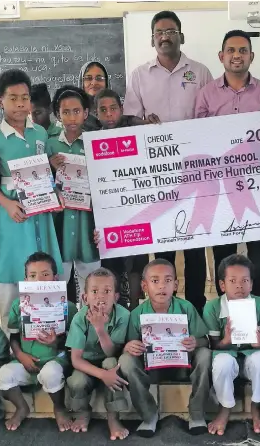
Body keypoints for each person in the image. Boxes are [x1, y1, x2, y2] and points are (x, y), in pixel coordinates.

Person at [122, 10, 212, 313]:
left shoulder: (199, 72)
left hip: (195, 172)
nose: (165, 36)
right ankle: (162, 310)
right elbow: (129, 118)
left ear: (181, 36)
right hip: (157, 175)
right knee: (163, 249)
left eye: (171, 31)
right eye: (159, 32)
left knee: (196, 246)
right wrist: (142, 122)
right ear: (151, 39)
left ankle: (197, 308)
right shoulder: (138, 75)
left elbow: (211, 118)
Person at [195, 29, 260, 300]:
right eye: (231, 50)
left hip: (258, 189)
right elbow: (197, 139)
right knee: (224, 256)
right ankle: (225, 311)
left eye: (243, 50)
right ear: (221, 56)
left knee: (258, 255)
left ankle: (259, 313)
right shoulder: (206, 95)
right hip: (220, 190)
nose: (236, 55)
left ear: (251, 56)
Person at [0, 69, 63, 330]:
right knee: (13, 266)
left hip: (40, 209)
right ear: (0, 101)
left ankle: (47, 330)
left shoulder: (40, 133)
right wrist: (6, 204)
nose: (20, 104)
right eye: (13, 98)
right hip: (12, 211)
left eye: (25, 97)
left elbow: (45, 171)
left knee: (43, 264)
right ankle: (12, 334)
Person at [118, 258, 211, 437]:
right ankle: (148, 415)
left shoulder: (186, 308)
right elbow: (127, 347)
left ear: (175, 285)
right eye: (155, 281)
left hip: (184, 367)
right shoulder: (137, 314)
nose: (162, 286)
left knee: (205, 355)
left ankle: (197, 413)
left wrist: (195, 342)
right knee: (125, 361)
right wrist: (130, 347)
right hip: (151, 368)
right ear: (144, 286)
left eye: (168, 280)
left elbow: (205, 341)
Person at [0, 252, 78, 432]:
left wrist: (56, 342)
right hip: (26, 361)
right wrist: (20, 355)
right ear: (25, 280)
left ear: (55, 278)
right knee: (2, 376)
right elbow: (14, 336)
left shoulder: (68, 307)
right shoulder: (18, 305)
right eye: (32, 276)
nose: (39, 280)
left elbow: (74, 343)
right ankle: (21, 407)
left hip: (56, 360)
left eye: (45, 274)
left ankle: (59, 407)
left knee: (50, 374)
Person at [202, 254, 260, 436]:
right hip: (226, 356)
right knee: (222, 363)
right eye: (232, 280)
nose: (239, 286)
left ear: (251, 284)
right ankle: (225, 408)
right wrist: (226, 340)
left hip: (250, 356)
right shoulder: (212, 307)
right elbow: (214, 348)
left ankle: (256, 407)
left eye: (245, 280)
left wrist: (259, 344)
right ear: (222, 285)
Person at [90, 91, 148, 309]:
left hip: (136, 210)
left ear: (121, 109)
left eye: (113, 108)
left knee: (136, 263)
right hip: (108, 213)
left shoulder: (136, 133)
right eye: (103, 110)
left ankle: (134, 307)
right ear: (96, 114)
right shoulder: (92, 140)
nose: (109, 114)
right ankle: (115, 312)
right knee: (112, 264)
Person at [46, 86, 101, 304]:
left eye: (76, 111)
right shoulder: (49, 143)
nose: (71, 117)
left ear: (86, 113)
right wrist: (49, 166)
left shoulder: (94, 143)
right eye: (65, 112)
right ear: (58, 115)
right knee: (59, 279)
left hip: (88, 221)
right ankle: (60, 331)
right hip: (60, 222)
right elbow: (38, 183)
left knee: (91, 280)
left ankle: (91, 327)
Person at [66, 267, 131, 439]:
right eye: (94, 291)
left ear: (116, 297)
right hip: (86, 365)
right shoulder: (79, 319)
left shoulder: (123, 315)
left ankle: (113, 418)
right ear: (85, 297)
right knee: (76, 380)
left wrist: (100, 329)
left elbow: (112, 352)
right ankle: (82, 412)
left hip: (109, 362)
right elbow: (76, 360)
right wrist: (102, 374)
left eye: (107, 291)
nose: (100, 297)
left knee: (112, 364)